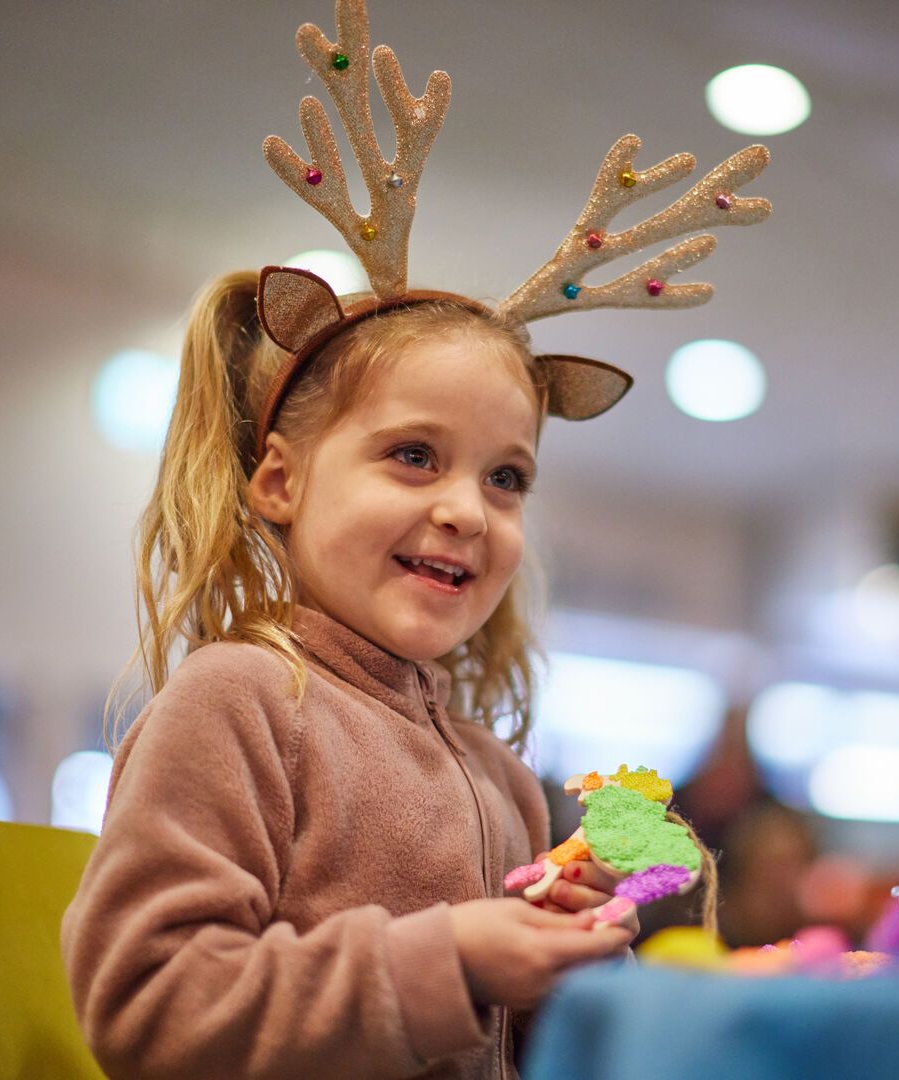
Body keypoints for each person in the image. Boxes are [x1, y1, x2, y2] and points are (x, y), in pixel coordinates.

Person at [61, 4, 770, 1076]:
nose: (464, 510)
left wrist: (576, 959)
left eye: (505, 478)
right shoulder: (238, 703)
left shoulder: (500, 779)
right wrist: (450, 958)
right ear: (279, 479)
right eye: (411, 456)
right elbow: (149, 1009)